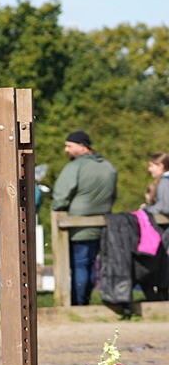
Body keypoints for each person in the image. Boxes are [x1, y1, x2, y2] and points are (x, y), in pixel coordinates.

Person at [52, 130, 118, 306]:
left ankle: (78, 304)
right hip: (102, 225)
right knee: (90, 265)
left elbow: (60, 195)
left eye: (69, 146)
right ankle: (87, 301)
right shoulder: (108, 166)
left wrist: (58, 209)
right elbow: (113, 195)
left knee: (80, 266)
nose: (66, 150)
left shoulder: (75, 167)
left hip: (77, 227)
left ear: (82, 146)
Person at [144, 152, 169, 217]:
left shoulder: (165, 182)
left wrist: (146, 209)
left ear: (160, 166)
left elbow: (165, 208)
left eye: (151, 166)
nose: (149, 169)